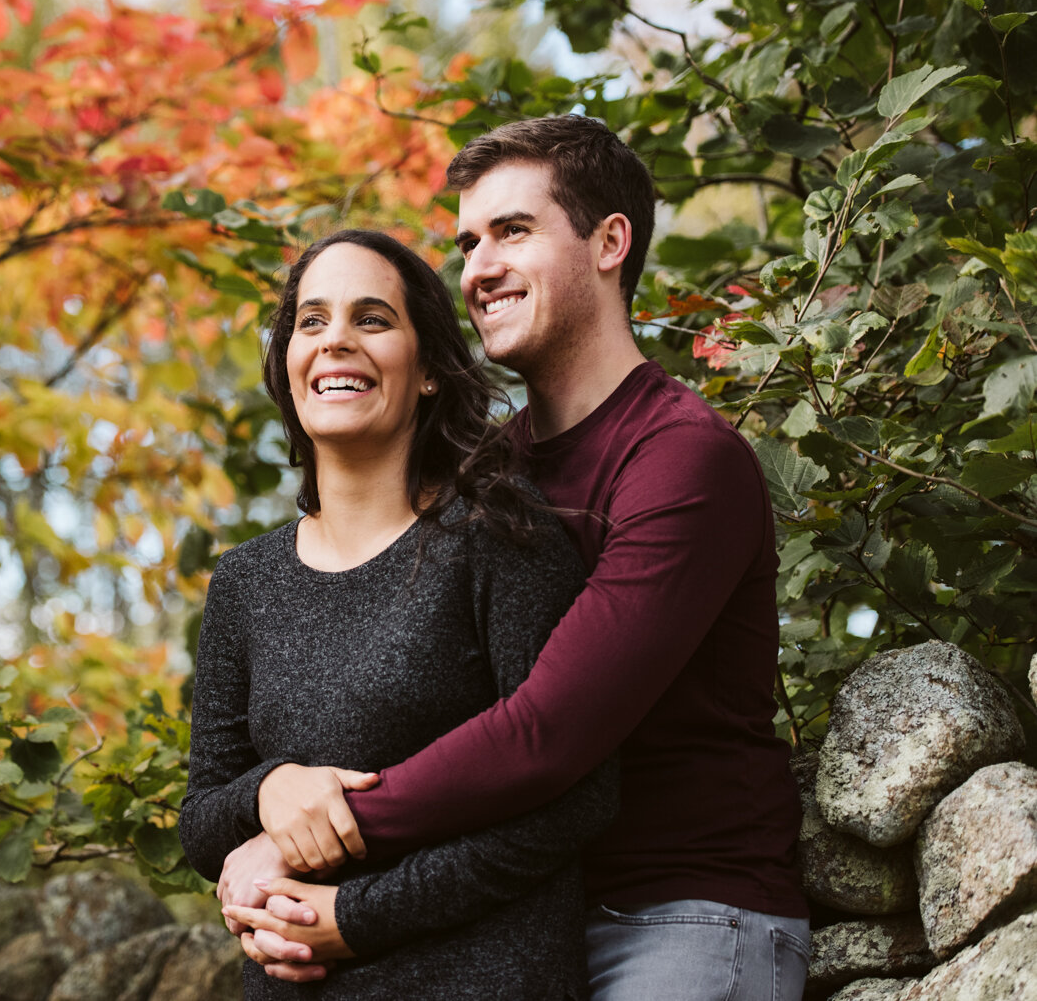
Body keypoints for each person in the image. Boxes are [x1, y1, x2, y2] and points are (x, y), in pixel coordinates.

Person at [222, 117, 810, 1001]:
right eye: (468, 241)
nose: (478, 267)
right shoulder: (488, 476)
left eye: (513, 231)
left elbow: (545, 734)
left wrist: (318, 830)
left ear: (611, 241)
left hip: (680, 911)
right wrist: (270, 793)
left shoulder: (683, 457)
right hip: (522, 909)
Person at [178, 228, 617, 999]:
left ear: (427, 374)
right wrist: (266, 790)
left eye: (372, 319)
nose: (336, 340)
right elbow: (202, 823)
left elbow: (578, 796)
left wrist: (355, 915)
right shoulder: (245, 582)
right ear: (287, 367)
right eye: (310, 322)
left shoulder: (501, 540)